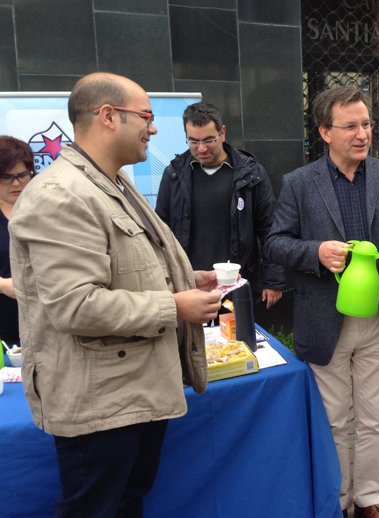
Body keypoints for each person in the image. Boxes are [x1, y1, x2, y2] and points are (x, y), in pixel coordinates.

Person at [9, 72, 221, 518]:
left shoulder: (113, 183)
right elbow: (76, 305)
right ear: (108, 116)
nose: (155, 127)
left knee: (126, 502)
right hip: (99, 403)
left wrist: (188, 278)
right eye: (145, 116)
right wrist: (175, 306)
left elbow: (128, 268)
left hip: (131, 393)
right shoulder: (60, 195)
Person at [265, 85, 379, 518]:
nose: (362, 134)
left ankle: (369, 499)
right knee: (335, 421)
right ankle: (336, 499)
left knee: (375, 418)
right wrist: (316, 252)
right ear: (325, 131)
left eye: (367, 124)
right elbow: (275, 243)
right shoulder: (300, 183)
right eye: (351, 126)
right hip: (325, 317)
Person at [156, 102, 285, 311]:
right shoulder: (174, 174)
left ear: (222, 132)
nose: (201, 148)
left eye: (208, 140)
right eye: (193, 141)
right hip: (190, 285)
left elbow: (270, 227)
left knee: (236, 341)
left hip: (239, 284)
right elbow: (160, 229)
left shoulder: (251, 173)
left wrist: (274, 280)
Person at [0, 136, 34, 346]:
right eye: (6, 177)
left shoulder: (47, 208)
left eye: (22, 175)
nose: (16, 183)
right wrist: (3, 285)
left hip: (47, 325)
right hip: (4, 331)